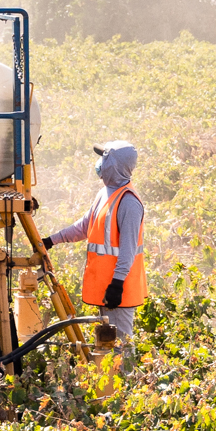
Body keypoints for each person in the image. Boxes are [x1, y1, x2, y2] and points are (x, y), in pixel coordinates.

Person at [42, 141, 147, 344]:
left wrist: (117, 284)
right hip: (106, 286)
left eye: (104, 158)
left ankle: (127, 376)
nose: (100, 163)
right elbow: (83, 227)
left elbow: (128, 249)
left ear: (114, 165)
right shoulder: (105, 193)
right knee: (107, 344)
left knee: (121, 344)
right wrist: (50, 241)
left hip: (119, 289)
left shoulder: (129, 202)